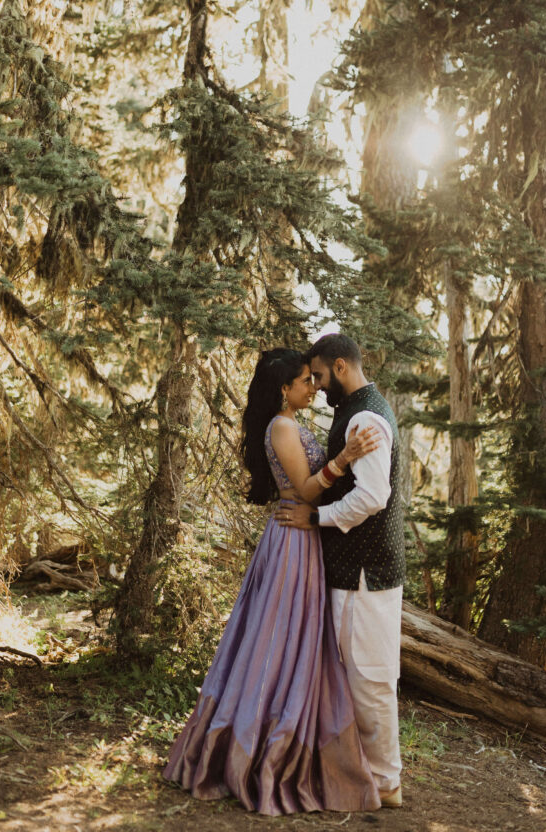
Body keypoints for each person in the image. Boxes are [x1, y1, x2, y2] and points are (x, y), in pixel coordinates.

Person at [163, 347, 383, 815]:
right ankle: (258, 744)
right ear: (284, 389)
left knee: (287, 635)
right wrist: (343, 458)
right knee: (278, 636)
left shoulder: (289, 424)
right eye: (305, 380)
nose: (313, 387)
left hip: (299, 538)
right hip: (292, 541)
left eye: (312, 378)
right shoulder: (281, 427)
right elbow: (304, 490)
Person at [276, 333, 405, 809]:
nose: (317, 384)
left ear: (342, 367)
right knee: (355, 675)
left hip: (367, 570)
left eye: (321, 375)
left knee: (371, 677)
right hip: (353, 568)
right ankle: (362, 774)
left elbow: (373, 498)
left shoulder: (366, 416)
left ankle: (386, 783)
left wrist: (317, 517)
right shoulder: (354, 410)